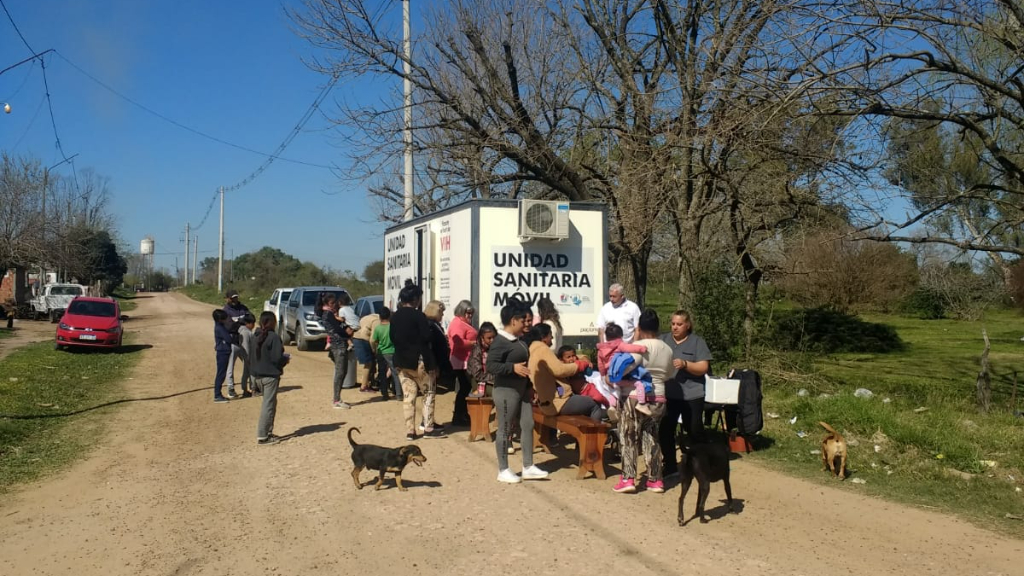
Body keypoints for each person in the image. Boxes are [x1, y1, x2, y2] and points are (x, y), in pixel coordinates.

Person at [613, 309, 674, 494]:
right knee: (652, 437)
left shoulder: (638, 346)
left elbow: (624, 368)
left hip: (634, 396)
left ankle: (628, 478)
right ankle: (655, 479)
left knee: (628, 435)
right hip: (659, 397)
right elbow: (670, 374)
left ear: (639, 327)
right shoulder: (667, 348)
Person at [487, 302, 548, 483]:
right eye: (523, 320)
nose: (527, 323)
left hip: (522, 390)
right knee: (505, 429)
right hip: (506, 391)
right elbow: (490, 365)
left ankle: (528, 466)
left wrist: (529, 386)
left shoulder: (519, 340)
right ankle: (503, 469)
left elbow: (525, 367)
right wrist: (511, 367)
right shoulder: (499, 341)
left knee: (528, 424)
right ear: (514, 321)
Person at [659, 310, 712, 478]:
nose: (675, 327)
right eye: (673, 323)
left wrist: (685, 364)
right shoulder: (663, 340)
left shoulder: (697, 342)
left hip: (692, 395)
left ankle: (701, 464)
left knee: (694, 430)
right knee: (666, 430)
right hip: (669, 394)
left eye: (679, 324)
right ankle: (670, 465)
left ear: (687, 325)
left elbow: (703, 368)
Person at [390, 282, 444, 440]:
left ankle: (410, 431)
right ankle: (428, 428)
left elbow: (393, 337)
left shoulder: (395, 316)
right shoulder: (418, 315)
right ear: (415, 299)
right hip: (420, 361)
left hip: (401, 361)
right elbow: (427, 337)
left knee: (408, 396)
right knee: (428, 394)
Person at [527, 323, 588, 417]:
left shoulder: (532, 350)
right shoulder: (543, 350)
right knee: (592, 404)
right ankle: (599, 430)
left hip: (546, 402)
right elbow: (559, 370)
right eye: (550, 335)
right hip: (557, 402)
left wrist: (581, 358)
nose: (552, 338)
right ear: (544, 338)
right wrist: (577, 366)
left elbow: (557, 362)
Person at [251, 311, 290, 445]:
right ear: (273, 322)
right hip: (270, 377)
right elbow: (277, 358)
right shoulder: (273, 337)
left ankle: (268, 432)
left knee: (270, 405)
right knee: (268, 406)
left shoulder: (255, 335)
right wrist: (285, 360)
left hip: (257, 376)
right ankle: (263, 436)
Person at [597, 322, 648, 411]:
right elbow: (631, 348)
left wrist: (603, 375)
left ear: (606, 337)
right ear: (620, 336)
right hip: (619, 374)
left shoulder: (601, 349)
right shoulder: (620, 345)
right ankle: (642, 403)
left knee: (614, 392)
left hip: (609, 376)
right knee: (638, 384)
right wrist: (642, 348)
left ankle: (612, 407)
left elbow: (600, 365)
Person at [319, 293, 354, 409]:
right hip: (338, 345)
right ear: (326, 304)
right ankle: (336, 399)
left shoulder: (328, 314)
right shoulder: (328, 314)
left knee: (342, 371)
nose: (334, 305)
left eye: (335, 303)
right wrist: (346, 332)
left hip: (338, 344)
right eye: (331, 303)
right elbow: (337, 329)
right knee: (340, 372)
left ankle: (337, 398)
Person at [447, 299, 478, 425]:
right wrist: (473, 343)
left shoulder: (460, 322)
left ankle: (461, 414)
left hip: (463, 359)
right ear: (462, 311)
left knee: (465, 388)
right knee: (465, 388)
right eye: (468, 313)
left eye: (471, 313)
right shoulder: (458, 324)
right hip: (461, 360)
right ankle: (460, 415)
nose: (470, 315)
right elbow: (458, 342)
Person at [555, 346, 606, 421]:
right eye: (568, 357)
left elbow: (584, 364)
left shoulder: (576, 364)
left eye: (573, 356)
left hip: (584, 390)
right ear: (561, 360)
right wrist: (562, 395)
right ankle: (595, 426)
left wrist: (586, 362)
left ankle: (607, 409)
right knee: (593, 405)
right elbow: (559, 386)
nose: (572, 359)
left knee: (597, 399)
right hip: (569, 398)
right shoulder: (561, 370)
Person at [423, 300, 452, 433]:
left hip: (435, 363)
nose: (442, 315)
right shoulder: (430, 325)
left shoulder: (434, 325)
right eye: (441, 312)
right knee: (429, 394)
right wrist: (436, 365)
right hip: (432, 365)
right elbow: (432, 348)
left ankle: (428, 420)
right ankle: (427, 424)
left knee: (429, 394)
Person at [222, 289, 252, 398]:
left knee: (249, 363)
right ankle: (230, 388)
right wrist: (241, 322)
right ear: (227, 299)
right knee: (230, 366)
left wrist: (238, 322)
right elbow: (229, 326)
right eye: (232, 298)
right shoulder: (225, 311)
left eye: (236, 297)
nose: (234, 299)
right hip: (232, 341)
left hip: (244, 341)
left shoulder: (243, 308)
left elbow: (251, 319)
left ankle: (246, 388)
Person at [371, 307, 401, 401]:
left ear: (379, 317)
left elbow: (373, 340)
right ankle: (399, 394)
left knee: (382, 373)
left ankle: (384, 394)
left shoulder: (378, 328)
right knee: (395, 373)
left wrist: (374, 349)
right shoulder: (393, 326)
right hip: (392, 351)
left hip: (381, 352)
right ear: (389, 316)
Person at [352, 309, 381, 394]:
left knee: (367, 363)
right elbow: (372, 339)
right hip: (363, 340)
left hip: (356, 338)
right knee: (368, 363)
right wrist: (374, 349)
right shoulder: (377, 321)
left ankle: (368, 383)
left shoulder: (368, 317)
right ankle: (364, 386)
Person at [467, 322, 497, 397]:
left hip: (494, 380)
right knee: (498, 394)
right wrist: (494, 377)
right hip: (479, 382)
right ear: (482, 338)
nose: (492, 340)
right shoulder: (477, 351)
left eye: (494, 337)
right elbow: (477, 375)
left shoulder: (496, 348)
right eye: (489, 338)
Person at [211, 309, 232, 404]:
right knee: (221, 374)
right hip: (223, 352)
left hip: (222, 351)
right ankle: (217, 395)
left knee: (221, 373)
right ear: (220, 319)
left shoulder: (219, 326)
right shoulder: (220, 328)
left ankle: (218, 394)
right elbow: (228, 338)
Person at [236, 313, 256, 398]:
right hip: (247, 356)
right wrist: (248, 358)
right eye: (252, 323)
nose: (254, 325)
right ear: (248, 323)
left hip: (246, 356)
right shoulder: (245, 332)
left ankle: (248, 389)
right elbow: (245, 346)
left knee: (247, 372)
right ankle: (251, 389)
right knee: (250, 373)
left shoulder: (244, 331)